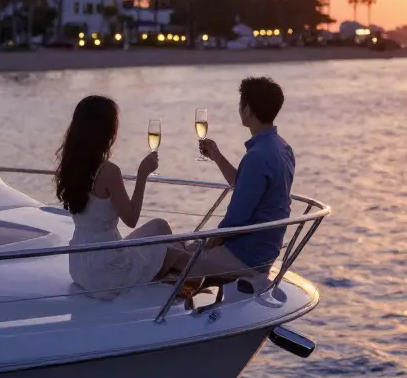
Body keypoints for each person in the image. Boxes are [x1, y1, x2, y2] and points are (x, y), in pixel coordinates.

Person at [56, 95, 180, 300]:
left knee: (160, 226)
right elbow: (131, 220)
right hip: (108, 269)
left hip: (80, 264)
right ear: (106, 130)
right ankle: (230, 277)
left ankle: (169, 283)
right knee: (178, 255)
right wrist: (142, 176)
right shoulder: (108, 171)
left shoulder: (72, 166)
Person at [193, 76, 295, 285]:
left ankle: (170, 311)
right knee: (187, 248)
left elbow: (235, 219)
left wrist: (209, 245)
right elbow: (245, 188)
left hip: (245, 256)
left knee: (170, 255)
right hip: (265, 250)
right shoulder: (282, 148)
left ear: (247, 109)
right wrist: (216, 155)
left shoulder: (257, 156)